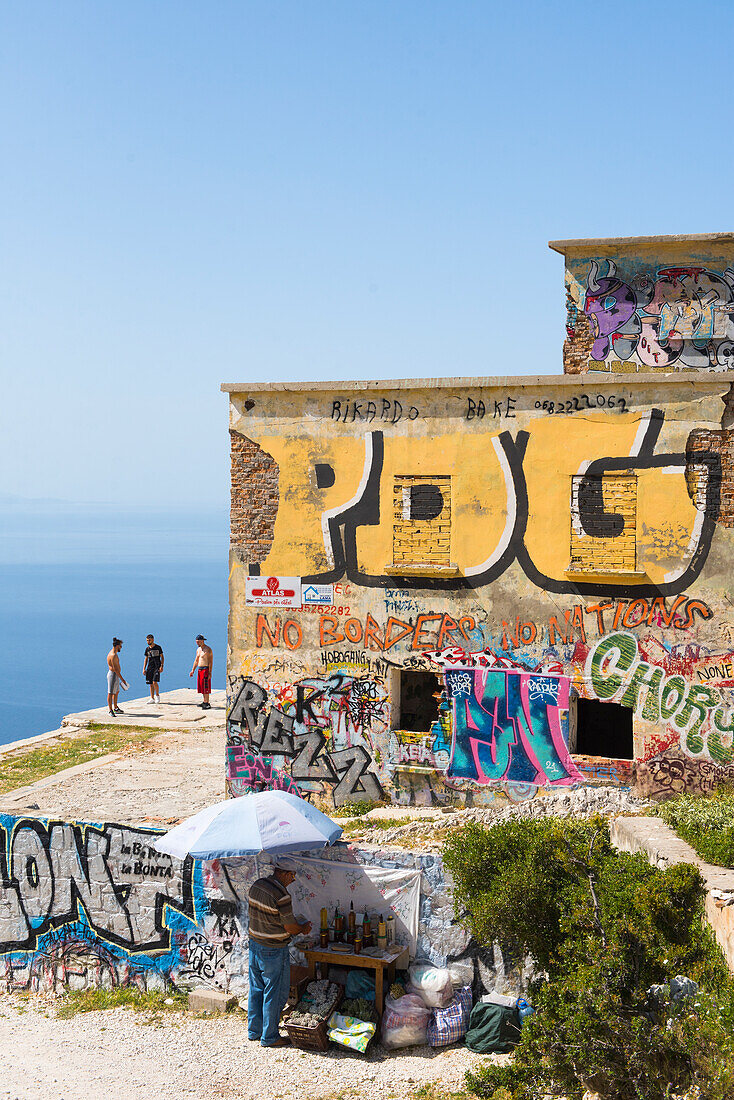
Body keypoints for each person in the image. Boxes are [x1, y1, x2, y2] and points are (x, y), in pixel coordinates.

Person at [247, 865, 312, 1047]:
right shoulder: (281, 895)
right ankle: (270, 1037)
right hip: (273, 949)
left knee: (257, 988)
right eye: (292, 874)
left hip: (255, 945)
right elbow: (290, 927)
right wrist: (303, 928)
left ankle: (255, 1031)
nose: (293, 879)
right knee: (275, 992)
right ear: (283, 873)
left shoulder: (257, 885)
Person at [106, 638, 128, 717]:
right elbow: (115, 669)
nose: (121, 648)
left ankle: (115, 707)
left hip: (115, 675)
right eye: (120, 646)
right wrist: (122, 679)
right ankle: (110, 710)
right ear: (117, 646)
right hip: (113, 675)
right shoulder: (113, 655)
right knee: (110, 692)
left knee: (116, 691)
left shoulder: (115, 654)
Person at [190, 634, 213, 708]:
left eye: (198, 642)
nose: (197, 643)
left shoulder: (208, 649)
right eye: (197, 642)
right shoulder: (198, 650)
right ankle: (204, 701)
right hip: (200, 669)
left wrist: (210, 672)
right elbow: (196, 660)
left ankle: (207, 703)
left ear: (202, 641)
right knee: (201, 686)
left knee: (206, 686)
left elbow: (210, 662)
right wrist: (193, 670)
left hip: (205, 669)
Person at [143, 634, 164, 703]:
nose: (148, 641)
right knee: (150, 683)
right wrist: (144, 668)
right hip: (150, 667)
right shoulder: (147, 649)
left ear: (153, 639)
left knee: (155, 682)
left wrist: (161, 666)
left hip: (157, 667)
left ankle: (157, 696)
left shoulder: (158, 647)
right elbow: (146, 659)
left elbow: (162, 657)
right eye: (147, 640)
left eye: (149, 640)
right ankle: (152, 698)